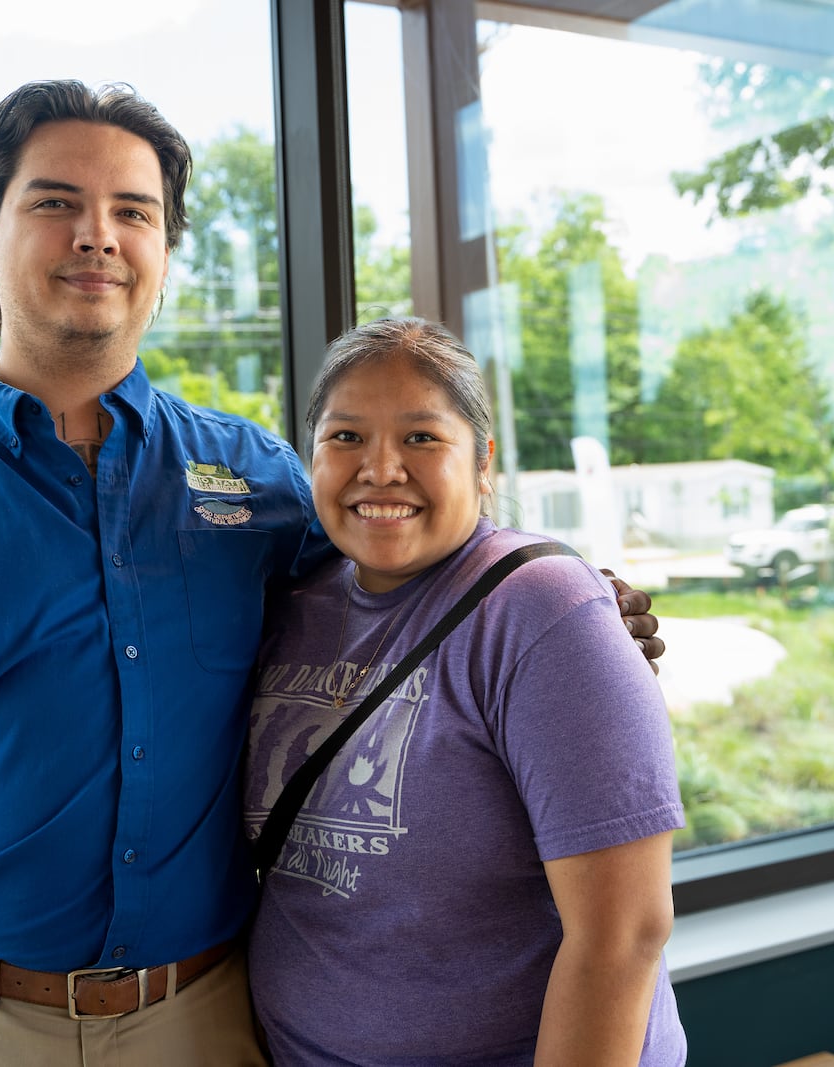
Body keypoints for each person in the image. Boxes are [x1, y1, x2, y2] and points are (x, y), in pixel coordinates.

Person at [0, 80, 665, 1066]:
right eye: (55, 203)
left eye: (133, 211)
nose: (98, 235)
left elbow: (399, 589)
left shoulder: (260, 481)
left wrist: (574, 603)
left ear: (164, 253)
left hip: (203, 1019)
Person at [243, 317, 686, 1065]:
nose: (380, 469)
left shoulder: (540, 609)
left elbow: (624, 934)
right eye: (345, 437)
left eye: (421, 438)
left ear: (483, 462)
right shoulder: (293, 603)